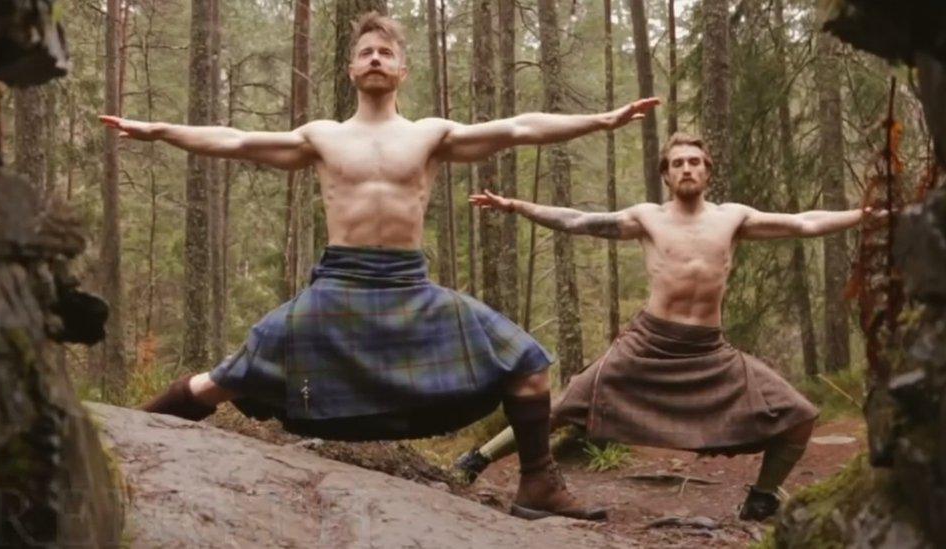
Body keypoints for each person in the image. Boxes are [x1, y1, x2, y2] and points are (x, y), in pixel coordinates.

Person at [99, 12, 659, 521]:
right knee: (224, 379)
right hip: (336, 287)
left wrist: (603, 121)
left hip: (408, 286)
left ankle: (537, 485)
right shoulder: (322, 136)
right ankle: (122, 437)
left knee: (527, 364)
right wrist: (157, 131)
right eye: (366, 52)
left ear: (402, 71)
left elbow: (518, 128)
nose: (374, 59)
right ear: (350, 69)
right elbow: (237, 139)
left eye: (384, 53)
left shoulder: (429, 135)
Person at [456, 131, 881, 522]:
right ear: (665, 174)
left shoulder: (733, 218)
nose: (687, 168)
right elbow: (576, 220)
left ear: (708, 171)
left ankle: (763, 496)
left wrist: (864, 215)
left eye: (695, 161)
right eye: (677, 163)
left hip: (708, 351)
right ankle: (476, 459)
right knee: (564, 407)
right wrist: (517, 206)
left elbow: (806, 222)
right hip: (648, 344)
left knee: (798, 415)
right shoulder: (648, 218)